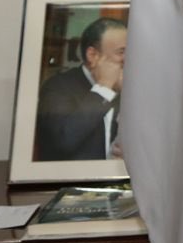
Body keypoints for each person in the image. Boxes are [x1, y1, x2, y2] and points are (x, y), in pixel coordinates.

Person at [35, 16, 126, 161]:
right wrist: (103, 88)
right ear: (93, 55)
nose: (128, 59)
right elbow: (64, 141)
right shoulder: (58, 87)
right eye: (121, 52)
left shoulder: (127, 90)